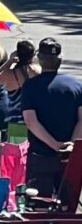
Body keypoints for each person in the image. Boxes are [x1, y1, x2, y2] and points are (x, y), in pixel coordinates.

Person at [21, 37, 82, 197]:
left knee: (38, 205)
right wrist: (71, 145)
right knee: (68, 206)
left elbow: (31, 121)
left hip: (41, 156)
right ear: (60, 59)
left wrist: (55, 145)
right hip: (71, 159)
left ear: (39, 59)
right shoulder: (76, 85)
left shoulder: (30, 87)